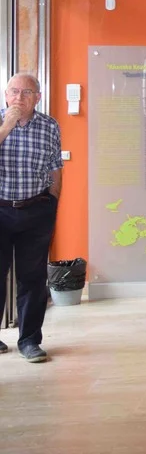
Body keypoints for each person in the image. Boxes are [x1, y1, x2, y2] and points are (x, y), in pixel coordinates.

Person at [0, 73, 63, 364]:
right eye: (14, 91)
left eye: (27, 92)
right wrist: (6, 127)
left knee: (33, 278)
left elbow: (55, 168)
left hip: (36, 209)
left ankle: (29, 340)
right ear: (5, 95)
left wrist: (52, 205)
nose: (19, 98)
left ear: (38, 97)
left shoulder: (49, 126)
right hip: (0, 209)